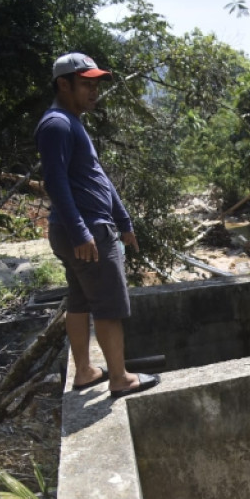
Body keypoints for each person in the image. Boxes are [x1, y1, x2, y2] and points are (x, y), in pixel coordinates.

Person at [35, 52, 160, 398]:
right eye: (86, 84)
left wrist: (124, 221)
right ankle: (119, 378)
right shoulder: (57, 124)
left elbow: (97, 177)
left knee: (79, 300)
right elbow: (56, 182)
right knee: (108, 304)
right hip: (86, 230)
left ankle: (86, 372)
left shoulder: (71, 122)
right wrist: (81, 232)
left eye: (96, 85)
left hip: (86, 227)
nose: (94, 91)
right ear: (64, 84)